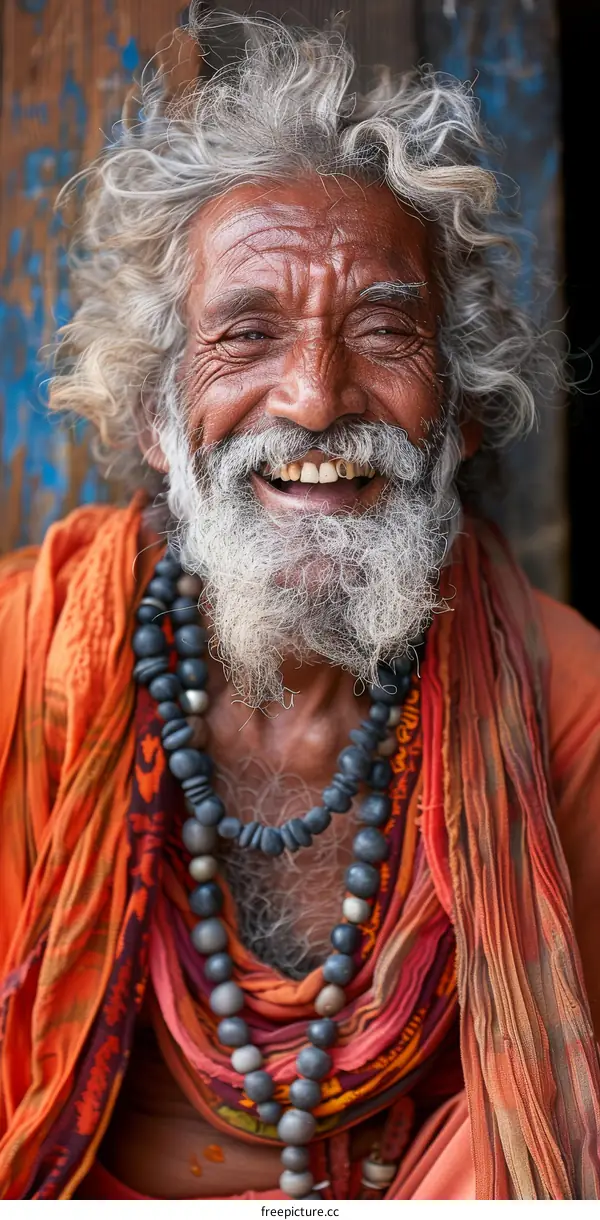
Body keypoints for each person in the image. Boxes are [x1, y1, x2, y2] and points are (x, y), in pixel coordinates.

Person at [1, 7, 600, 1203]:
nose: (317, 399)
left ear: (457, 411)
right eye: (246, 334)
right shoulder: (22, 660)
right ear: (157, 416)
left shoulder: (564, 697)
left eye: (384, 331)